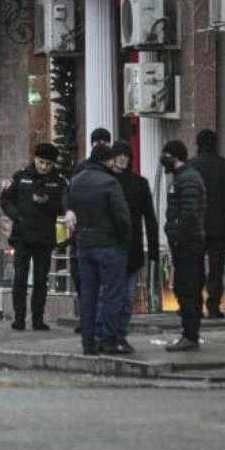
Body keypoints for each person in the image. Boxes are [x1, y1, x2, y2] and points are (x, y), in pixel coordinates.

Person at [64, 144, 131, 356]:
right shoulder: (110, 182)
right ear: (108, 160)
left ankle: (88, 343)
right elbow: (122, 217)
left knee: (88, 296)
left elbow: (67, 202)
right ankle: (108, 341)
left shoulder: (76, 182)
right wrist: (125, 242)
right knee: (112, 295)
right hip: (110, 247)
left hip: (85, 247)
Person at [0, 142, 68, 331]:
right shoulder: (21, 176)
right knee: (20, 277)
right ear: (35, 159)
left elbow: (65, 205)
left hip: (44, 237)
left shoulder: (59, 180)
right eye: (40, 162)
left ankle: (38, 318)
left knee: (40, 279)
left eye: (47, 164)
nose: (43, 167)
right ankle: (19, 317)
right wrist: (16, 216)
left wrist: (47, 202)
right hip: (22, 236)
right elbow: (5, 199)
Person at [100, 140, 158, 354]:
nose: (123, 158)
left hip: (131, 248)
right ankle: (108, 336)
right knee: (109, 296)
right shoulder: (105, 181)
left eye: (126, 154)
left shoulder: (139, 183)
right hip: (108, 246)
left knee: (126, 297)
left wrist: (153, 251)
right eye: (119, 154)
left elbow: (150, 217)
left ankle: (120, 335)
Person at [188, 129, 225, 318]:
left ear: (198, 144)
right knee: (217, 267)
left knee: (195, 266)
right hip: (220, 227)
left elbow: (183, 196)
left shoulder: (191, 167)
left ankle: (195, 305)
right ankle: (213, 306)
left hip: (196, 227)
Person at [161, 140, 208, 352]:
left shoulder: (187, 179)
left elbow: (188, 213)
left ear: (175, 157)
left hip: (188, 243)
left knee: (186, 287)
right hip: (186, 242)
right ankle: (191, 333)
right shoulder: (182, 177)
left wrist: (177, 234)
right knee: (187, 287)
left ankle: (190, 335)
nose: (164, 161)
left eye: (166, 156)